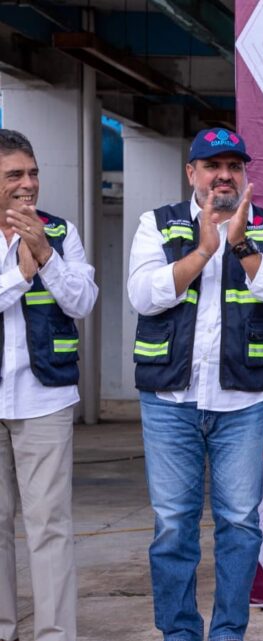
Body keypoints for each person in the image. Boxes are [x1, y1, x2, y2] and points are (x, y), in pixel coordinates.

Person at [127, 127, 263, 641]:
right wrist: (202, 252)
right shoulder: (155, 224)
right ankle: (180, 634)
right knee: (174, 526)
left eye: (233, 165)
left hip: (244, 402)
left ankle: (228, 634)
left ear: (245, 172)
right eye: (211, 165)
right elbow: (142, 294)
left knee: (240, 524)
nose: (223, 175)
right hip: (169, 400)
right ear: (192, 173)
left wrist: (241, 244)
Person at [0, 129, 98, 641]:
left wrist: (47, 254)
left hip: (46, 397)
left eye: (33, 173)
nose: (28, 184)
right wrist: (19, 272)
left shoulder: (60, 231)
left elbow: (82, 302)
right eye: (15, 174)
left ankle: (56, 635)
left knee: (50, 526)